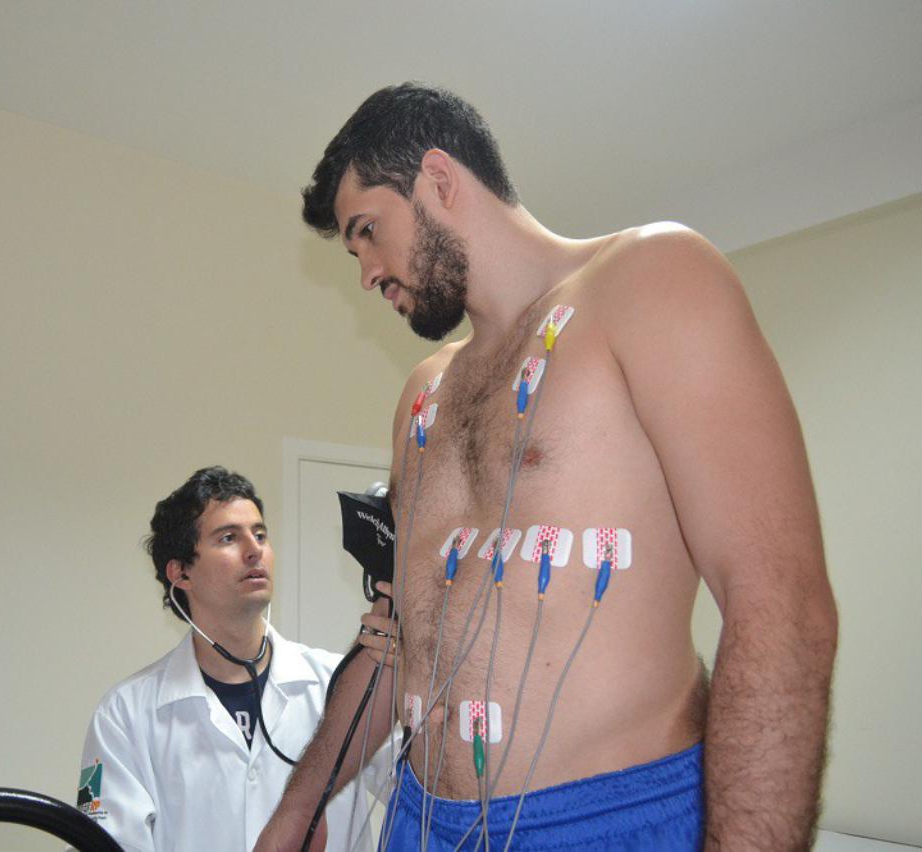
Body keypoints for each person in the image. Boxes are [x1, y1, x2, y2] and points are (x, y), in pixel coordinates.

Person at [256, 83, 837, 851]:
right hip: (420, 821)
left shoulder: (649, 279)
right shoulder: (424, 395)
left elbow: (781, 606)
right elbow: (399, 634)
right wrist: (299, 808)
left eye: (368, 232)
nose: (366, 273)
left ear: (438, 179)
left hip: (609, 820)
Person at [79, 466, 394, 851]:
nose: (254, 549)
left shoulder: (339, 684)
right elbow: (107, 843)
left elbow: (425, 787)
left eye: (260, 534)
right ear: (181, 573)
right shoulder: (126, 714)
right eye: (228, 537)